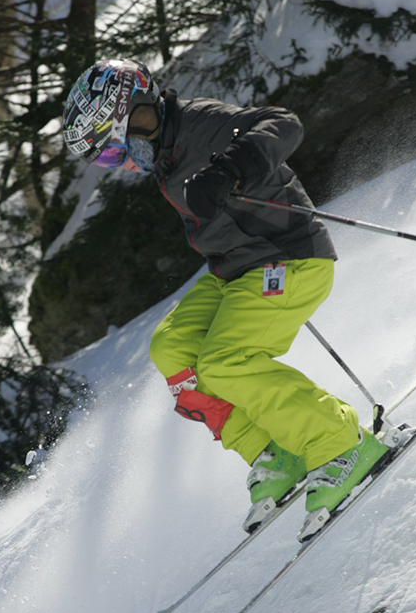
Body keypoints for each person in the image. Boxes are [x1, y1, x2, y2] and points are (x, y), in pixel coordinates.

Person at [62, 58, 390, 541]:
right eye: (109, 161)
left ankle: (341, 444)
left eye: (112, 153)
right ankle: (275, 451)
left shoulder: (198, 124)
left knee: (226, 361)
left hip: (288, 259)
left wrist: (229, 169)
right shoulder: (164, 151)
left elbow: (283, 124)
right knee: (172, 347)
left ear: (131, 113)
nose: (124, 163)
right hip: (236, 270)